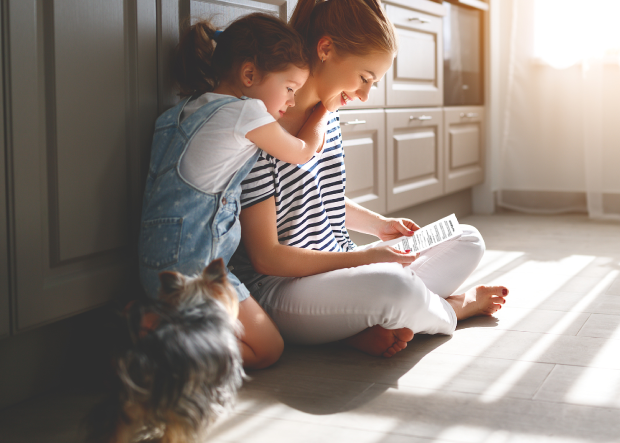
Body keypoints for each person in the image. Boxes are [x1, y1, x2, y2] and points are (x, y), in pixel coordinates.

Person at [229, 0, 509, 358]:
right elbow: (266, 260)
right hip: (281, 289)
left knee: (466, 238)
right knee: (396, 287)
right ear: (326, 48)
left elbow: (319, 197)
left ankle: (361, 323)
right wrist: (367, 260)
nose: (363, 95)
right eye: (365, 78)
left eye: (373, 83)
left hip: (336, 265)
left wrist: (379, 226)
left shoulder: (326, 116)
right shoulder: (264, 124)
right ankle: (453, 309)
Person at [138, 13, 329, 369]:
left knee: (239, 337)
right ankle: (164, 336)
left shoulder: (179, 113)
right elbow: (302, 153)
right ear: (249, 76)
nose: (291, 101)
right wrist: (322, 114)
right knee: (268, 349)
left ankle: (167, 326)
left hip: (153, 266)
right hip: (197, 268)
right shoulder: (247, 113)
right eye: (289, 88)